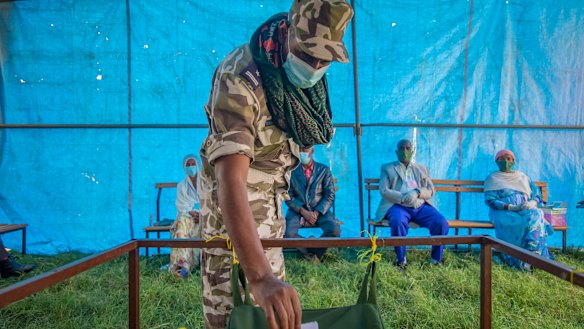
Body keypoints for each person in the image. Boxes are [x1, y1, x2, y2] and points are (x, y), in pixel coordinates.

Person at [197, 1, 354, 328]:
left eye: (325, 59)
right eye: (308, 53)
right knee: (232, 316)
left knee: (273, 317)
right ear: (286, 31)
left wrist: (268, 277)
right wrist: (260, 277)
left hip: (270, 208)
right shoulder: (240, 77)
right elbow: (231, 181)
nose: (315, 65)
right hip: (231, 214)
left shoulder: (299, 81)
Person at [374, 139, 449, 269]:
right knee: (397, 222)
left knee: (441, 222)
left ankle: (436, 260)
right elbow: (384, 190)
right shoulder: (387, 168)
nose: (405, 151)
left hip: (419, 205)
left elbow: (430, 189)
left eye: (408, 148)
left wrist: (417, 192)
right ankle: (401, 260)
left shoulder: (421, 169)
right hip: (398, 205)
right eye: (402, 148)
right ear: (396, 152)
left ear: (412, 151)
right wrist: (403, 198)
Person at [484, 149, 554, 270]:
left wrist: (532, 203)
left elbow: (536, 195)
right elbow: (491, 200)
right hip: (504, 212)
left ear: (513, 161)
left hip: (524, 208)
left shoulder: (523, 177)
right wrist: (511, 207)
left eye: (508, 158)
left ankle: (531, 253)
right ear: (496, 161)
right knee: (516, 222)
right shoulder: (492, 178)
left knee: (536, 214)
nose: (505, 161)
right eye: (502, 158)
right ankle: (519, 259)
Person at [284, 146, 340, 260]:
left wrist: (316, 213)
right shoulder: (291, 171)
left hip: (319, 210)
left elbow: (330, 195)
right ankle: (313, 255)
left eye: (305, 150)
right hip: (298, 210)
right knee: (288, 234)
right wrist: (303, 212)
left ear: (312, 151)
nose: (302, 153)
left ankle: (312, 253)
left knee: (334, 230)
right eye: (299, 150)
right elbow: (287, 195)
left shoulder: (323, 170)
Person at [168, 154, 201, 278]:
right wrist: (192, 212)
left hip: (203, 216)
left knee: (202, 224)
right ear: (184, 168)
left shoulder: (205, 182)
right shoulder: (181, 185)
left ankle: (197, 263)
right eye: (188, 165)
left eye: (193, 164)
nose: (191, 167)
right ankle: (182, 265)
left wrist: (201, 215)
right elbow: (181, 206)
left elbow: (209, 202)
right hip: (187, 216)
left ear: (198, 165)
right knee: (181, 225)